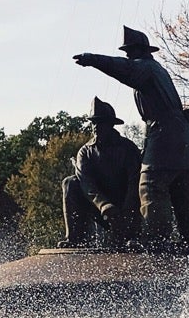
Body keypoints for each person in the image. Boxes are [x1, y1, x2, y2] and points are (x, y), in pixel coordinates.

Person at [74, 27, 189, 249]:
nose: (127, 56)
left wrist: (94, 59)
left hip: (166, 134)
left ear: (137, 51)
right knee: (182, 189)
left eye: (129, 52)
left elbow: (126, 70)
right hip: (182, 137)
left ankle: (156, 239)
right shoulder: (159, 70)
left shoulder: (146, 68)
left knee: (151, 185)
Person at [59, 98, 142, 249]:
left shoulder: (128, 149)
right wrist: (104, 205)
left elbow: (134, 183)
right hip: (99, 207)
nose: (96, 126)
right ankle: (74, 238)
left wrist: (126, 212)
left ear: (110, 124)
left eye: (100, 122)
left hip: (127, 207)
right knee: (69, 183)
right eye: (93, 123)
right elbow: (86, 184)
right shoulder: (85, 152)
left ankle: (133, 236)